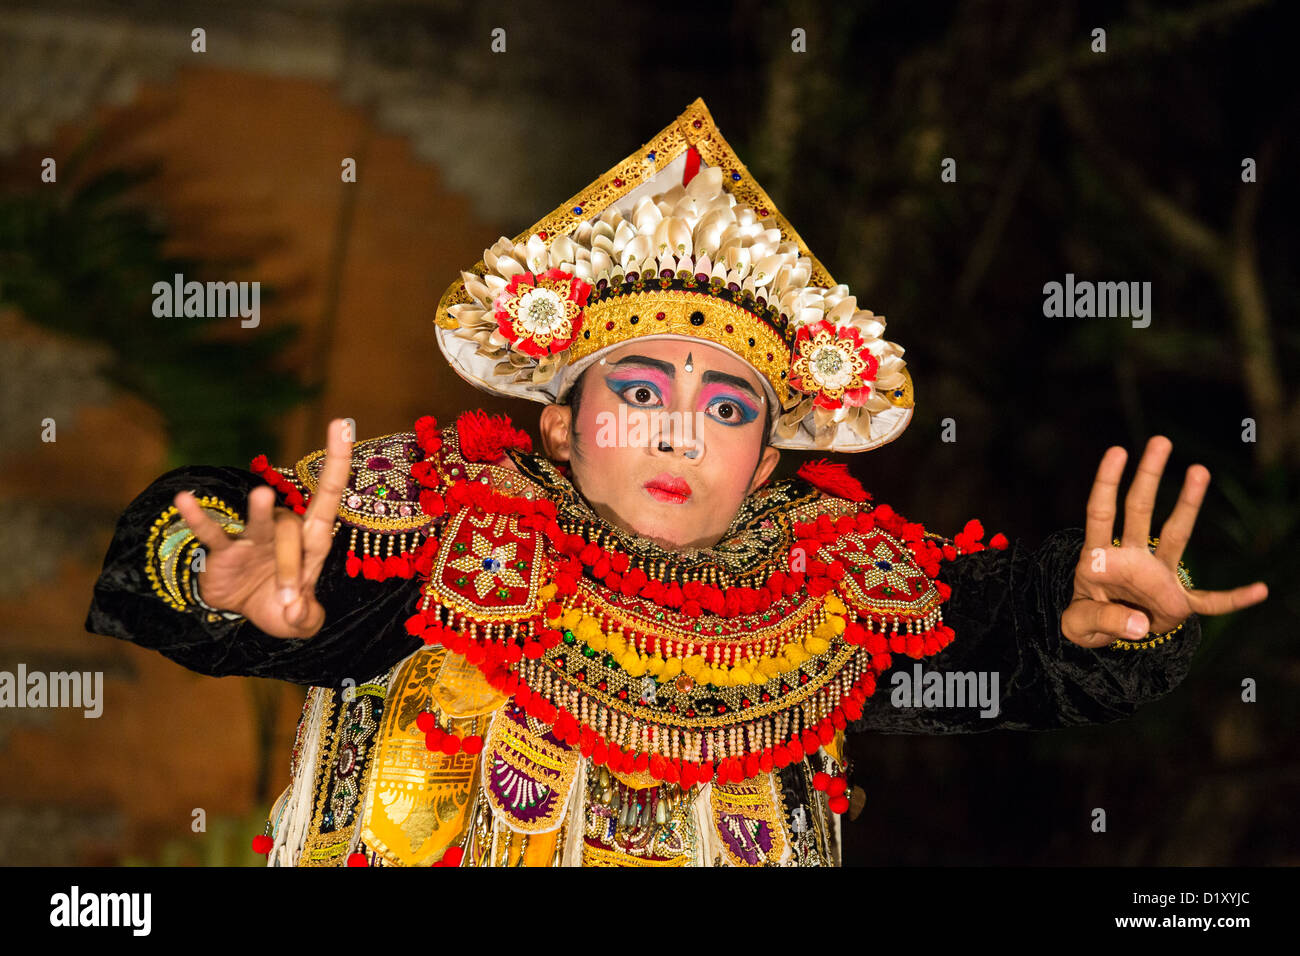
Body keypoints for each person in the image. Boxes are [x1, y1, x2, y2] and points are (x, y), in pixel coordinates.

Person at [85, 98, 1268, 867]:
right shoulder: (443, 517)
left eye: (727, 407)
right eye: (640, 390)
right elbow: (277, 570)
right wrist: (226, 581)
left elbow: (997, 643)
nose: (679, 434)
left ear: (766, 456)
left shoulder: (828, 586)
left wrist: (1097, 624)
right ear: (560, 422)